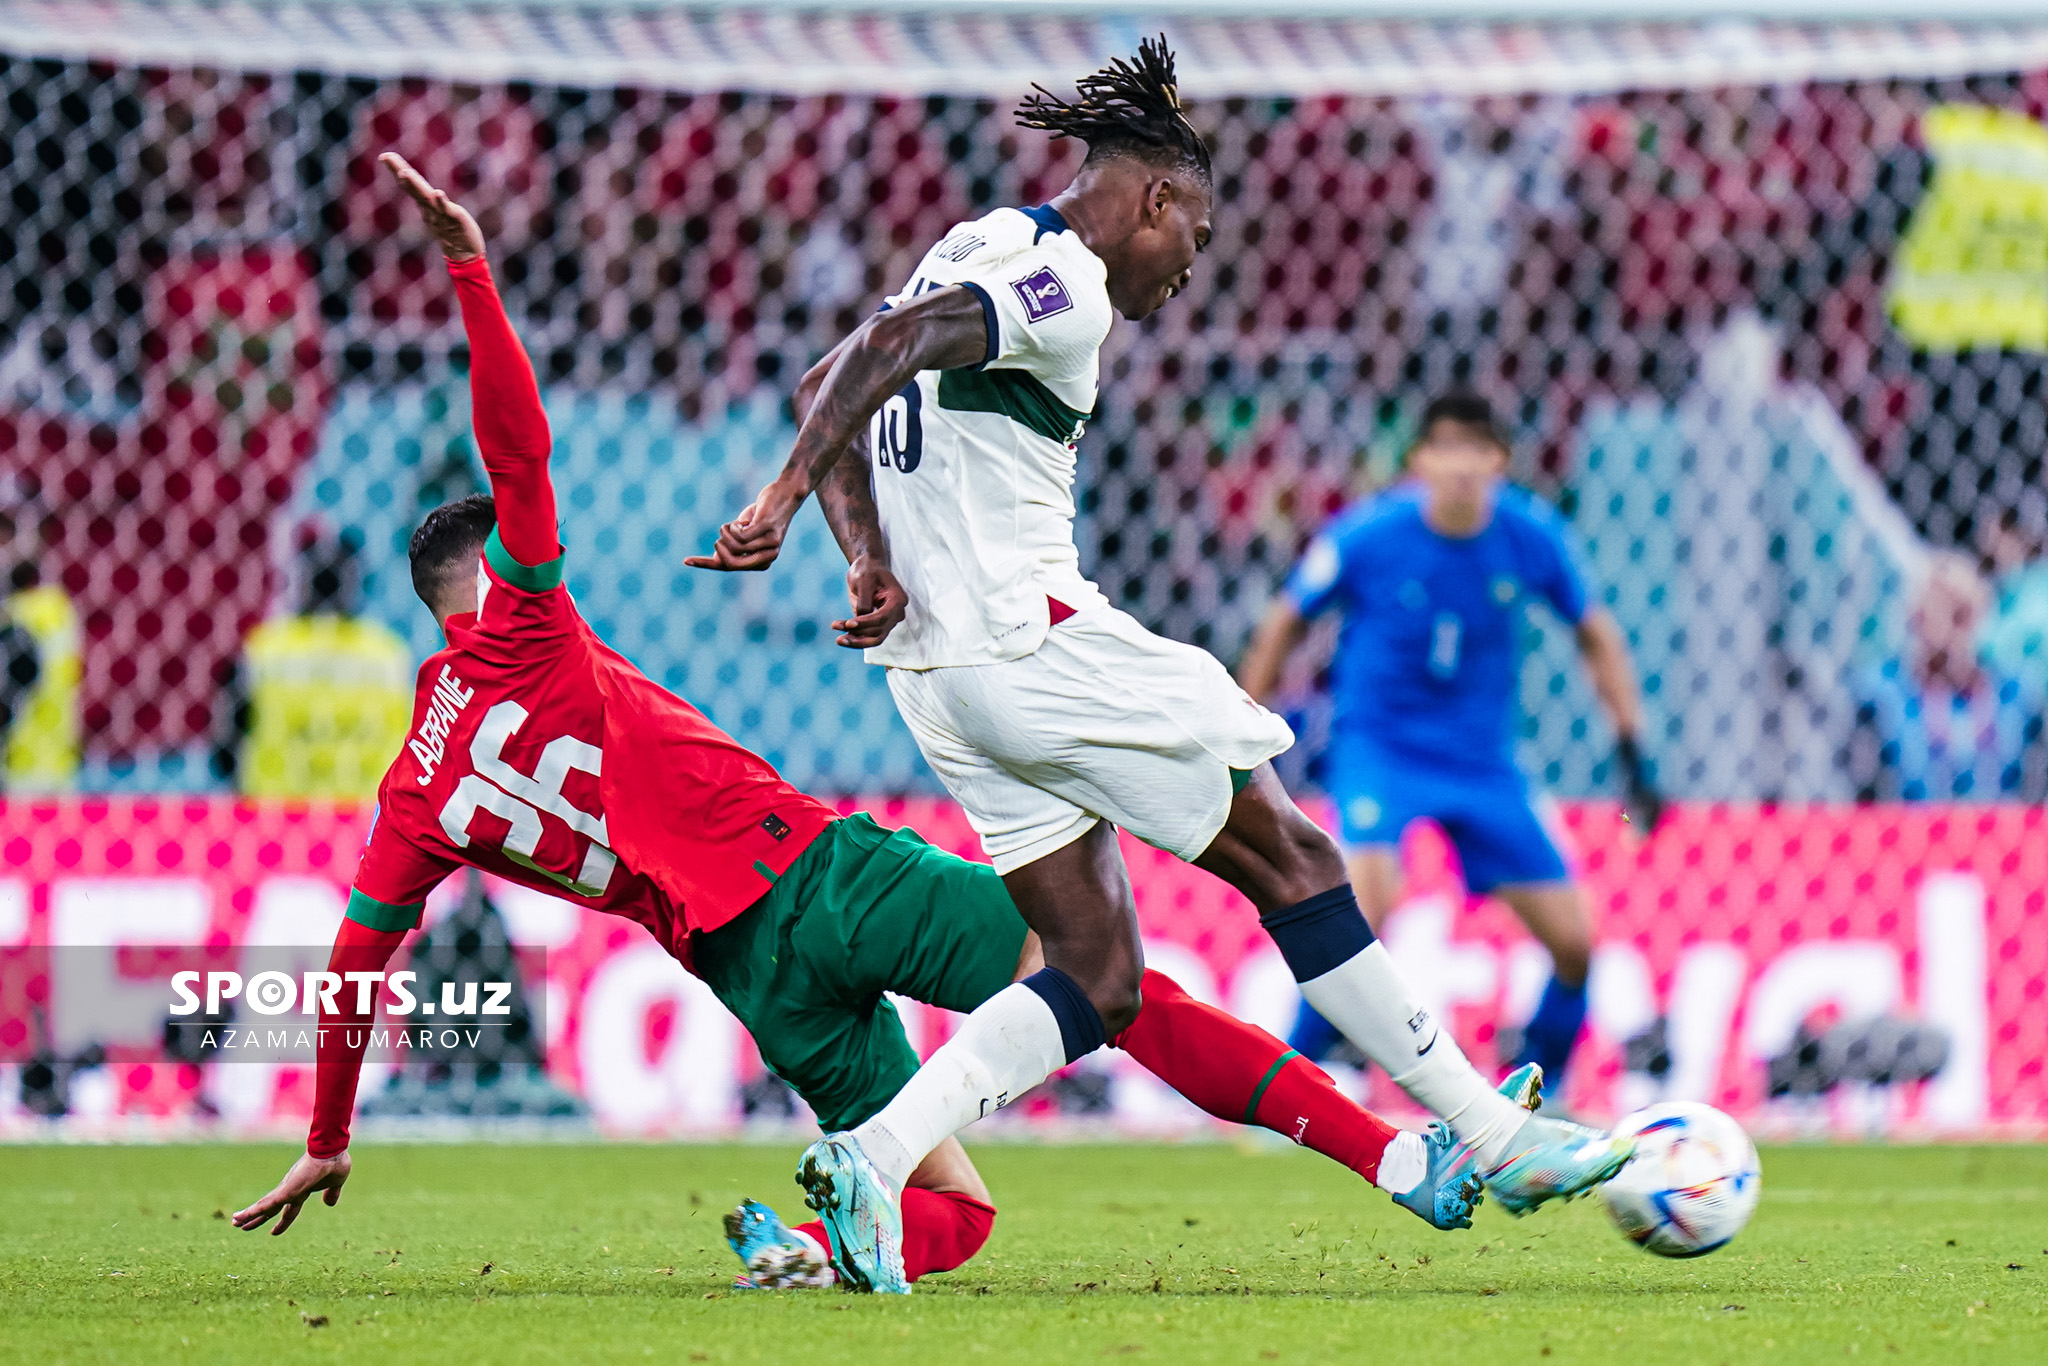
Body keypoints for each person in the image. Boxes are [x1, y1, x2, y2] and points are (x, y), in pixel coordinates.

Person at [231, 153, 1507, 1291]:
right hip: (819, 878)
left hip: (743, 976)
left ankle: (813, 1241)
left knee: (954, 1209)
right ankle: (1398, 1154)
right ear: (489, 577)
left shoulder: (417, 790)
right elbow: (517, 446)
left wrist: (328, 1135)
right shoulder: (525, 621)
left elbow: (354, 966)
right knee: (1114, 989)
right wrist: (470, 273)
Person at [688, 37, 1634, 1292]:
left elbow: (835, 370)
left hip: (936, 681)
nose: (1192, 263)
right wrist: (783, 491)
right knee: (1290, 855)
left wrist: (862, 553)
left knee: (1098, 971)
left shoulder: (969, 240)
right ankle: (1489, 1130)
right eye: (1193, 228)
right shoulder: (1062, 281)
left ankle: (876, 1150)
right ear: (1151, 197)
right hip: (1032, 642)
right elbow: (881, 355)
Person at [1237, 394, 1664, 1096]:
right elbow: (1286, 618)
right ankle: (1294, 1082)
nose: (1462, 466)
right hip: (1382, 750)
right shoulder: (1369, 536)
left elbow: (1596, 632)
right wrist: (1249, 727)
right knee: (1363, 910)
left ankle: (1542, 1090)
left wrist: (1631, 747)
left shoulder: (1531, 536)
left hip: (1483, 762)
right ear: (1420, 461)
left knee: (1575, 944)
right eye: (1447, 449)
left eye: (1478, 449)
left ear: (1499, 460)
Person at [1852, 551, 2047, 801]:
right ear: (1917, 619)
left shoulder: (2014, 692)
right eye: (1951, 616)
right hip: (1909, 832)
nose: (1959, 634)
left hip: (2002, 830)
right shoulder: (1883, 693)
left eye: (1966, 616)